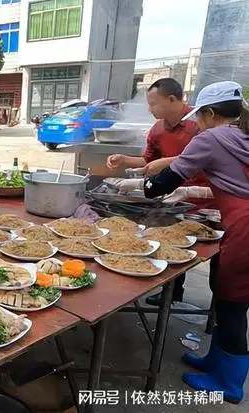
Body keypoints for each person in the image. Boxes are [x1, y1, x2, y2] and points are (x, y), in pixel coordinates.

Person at [143, 81, 249, 404]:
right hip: (242, 223)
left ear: (211, 113)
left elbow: (173, 174)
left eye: (200, 115)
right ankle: (215, 362)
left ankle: (228, 384)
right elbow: (233, 183)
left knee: (232, 306)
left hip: (244, 230)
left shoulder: (213, 137)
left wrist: (148, 189)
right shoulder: (242, 137)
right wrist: (191, 192)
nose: (197, 122)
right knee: (229, 298)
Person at [109, 78, 215, 306]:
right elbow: (150, 161)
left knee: (209, 253)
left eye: (154, 104)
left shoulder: (199, 125)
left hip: (204, 201)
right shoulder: (157, 129)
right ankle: (173, 291)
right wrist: (124, 160)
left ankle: (219, 306)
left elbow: (206, 157)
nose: (150, 109)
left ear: (172, 99)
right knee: (170, 243)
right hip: (168, 195)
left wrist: (166, 163)